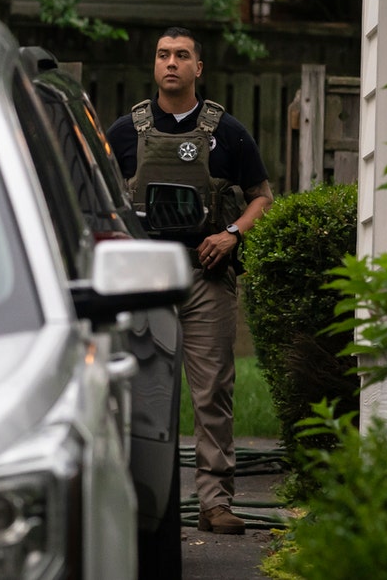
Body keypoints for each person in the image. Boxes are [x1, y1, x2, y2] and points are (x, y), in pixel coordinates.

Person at [106, 27, 274, 536]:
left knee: (212, 393)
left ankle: (215, 503)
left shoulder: (229, 132)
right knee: (135, 391)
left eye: (182, 55)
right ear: (154, 65)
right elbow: (97, 199)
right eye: (163, 55)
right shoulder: (123, 131)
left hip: (208, 274)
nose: (171, 63)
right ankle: (130, 502)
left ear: (198, 67)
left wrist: (231, 235)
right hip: (145, 280)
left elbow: (261, 196)